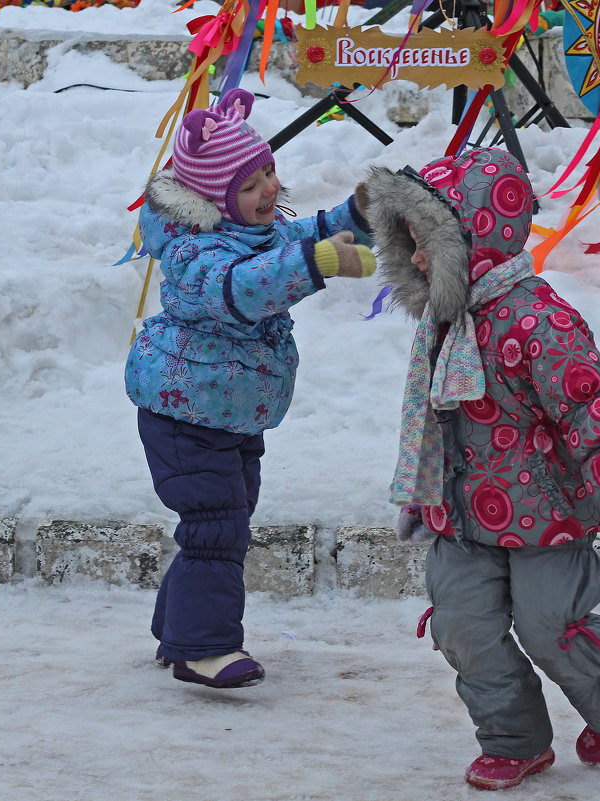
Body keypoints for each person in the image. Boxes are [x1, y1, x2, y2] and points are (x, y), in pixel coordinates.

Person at [363, 147, 600, 790]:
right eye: (411, 245)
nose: (417, 260)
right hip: (462, 517)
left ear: (475, 236)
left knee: (550, 626)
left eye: (428, 244)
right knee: (461, 628)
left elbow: (589, 408)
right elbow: (434, 415)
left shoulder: (539, 319)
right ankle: (514, 740)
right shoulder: (446, 321)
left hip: (549, 517)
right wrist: (423, 495)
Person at [125, 88, 374, 689]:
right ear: (213, 198)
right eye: (250, 183)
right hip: (184, 414)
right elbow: (245, 290)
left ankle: (179, 630)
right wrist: (319, 264)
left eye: (268, 172)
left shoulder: (245, 230)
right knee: (217, 526)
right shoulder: (195, 253)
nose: (268, 189)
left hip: (229, 413)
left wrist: (356, 216)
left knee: (221, 524)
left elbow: (296, 237)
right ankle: (202, 649)